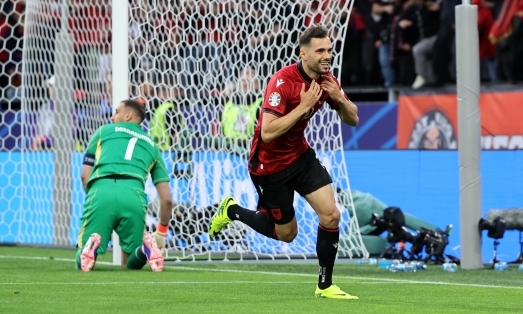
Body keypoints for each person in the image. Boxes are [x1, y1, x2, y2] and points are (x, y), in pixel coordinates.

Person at [209, 25, 360, 299]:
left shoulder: (328, 81)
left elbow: (353, 119)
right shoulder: (282, 82)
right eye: (320, 51)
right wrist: (303, 107)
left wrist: (339, 100)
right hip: (270, 166)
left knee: (332, 215)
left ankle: (325, 285)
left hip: (300, 156)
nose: (327, 55)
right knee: (287, 234)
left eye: (329, 49)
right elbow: (267, 132)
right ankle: (232, 211)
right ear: (303, 54)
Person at [77, 99, 173, 272]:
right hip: (133, 194)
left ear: (128, 115)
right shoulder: (153, 146)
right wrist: (161, 233)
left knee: (83, 261)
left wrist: (93, 198)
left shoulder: (103, 131)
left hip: (101, 190)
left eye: (116, 112)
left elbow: (85, 175)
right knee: (129, 264)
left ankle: (90, 247)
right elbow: (166, 200)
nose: (112, 116)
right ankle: (145, 250)